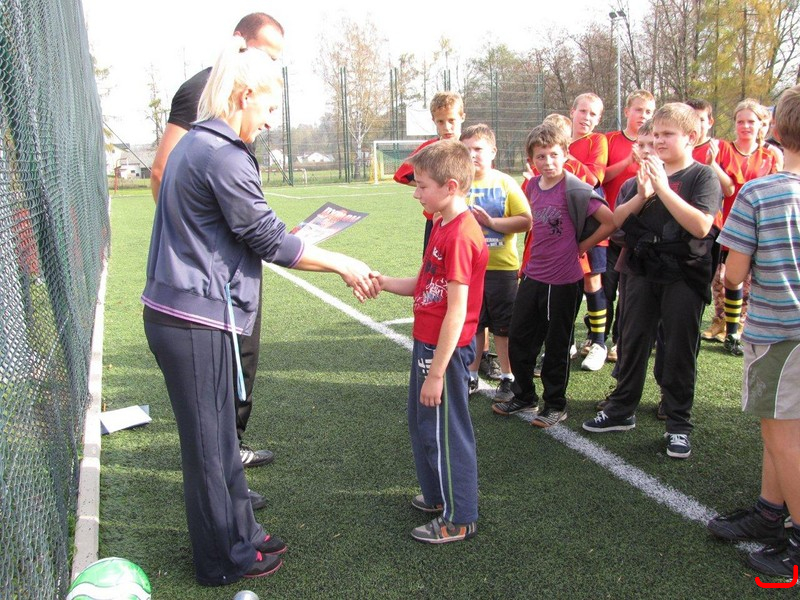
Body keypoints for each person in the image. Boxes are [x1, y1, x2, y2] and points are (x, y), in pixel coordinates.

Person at [142, 39, 379, 584]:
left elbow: (237, 229)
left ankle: (242, 534)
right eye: (270, 107)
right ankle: (223, 559)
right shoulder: (222, 153)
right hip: (194, 318)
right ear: (244, 95)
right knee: (209, 449)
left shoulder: (199, 143)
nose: (272, 121)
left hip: (193, 313)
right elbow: (269, 240)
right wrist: (342, 263)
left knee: (223, 440)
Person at [150, 13, 285, 486]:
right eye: (265, 55)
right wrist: (195, 243)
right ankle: (224, 485)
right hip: (203, 293)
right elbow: (164, 171)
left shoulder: (221, 142)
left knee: (237, 369)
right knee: (212, 411)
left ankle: (229, 473)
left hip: (211, 283)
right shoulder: (209, 122)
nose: (270, 120)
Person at [582, 103, 722, 459]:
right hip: (640, 269)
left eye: (667, 134)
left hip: (683, 273)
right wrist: (644, 194)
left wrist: (662, 188)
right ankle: (621, 409)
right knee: (631, 341)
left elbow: (701, 226)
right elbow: (615, 222)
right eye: (655, 134)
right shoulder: (636, 180)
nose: (658, 141)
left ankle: (678, 424)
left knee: (678, 348)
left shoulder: (701, 176)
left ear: (691, 137)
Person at [706, 84, 800, 578]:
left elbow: (735, 275)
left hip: (780, 333)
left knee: (784, 437)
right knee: (781, 431)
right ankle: (768, 513)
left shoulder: (759, 192)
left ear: (776, 130)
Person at [376, 139, 488, 544]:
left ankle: (460, 517)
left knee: (447, 431)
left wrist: (437, 372)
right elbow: (425, 285)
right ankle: (440, 495)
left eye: (422, 186)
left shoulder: (460, 236)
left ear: (451, 186)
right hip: (428, 343)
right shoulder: (442, 224)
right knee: (424, 424)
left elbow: (456, 312)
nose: (416, 193)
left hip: (444, 352)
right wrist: (382, 282)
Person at [493, 122, 614, 427]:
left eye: (554, 155)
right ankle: (524, 395)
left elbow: (610, 221)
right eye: (541, 156)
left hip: (563, 280)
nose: (548, 162)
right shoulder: (532, 186)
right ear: (531, 159)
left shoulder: (576, 189)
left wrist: (582, 246)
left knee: (557, 345)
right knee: (520, 337)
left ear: (566, 155)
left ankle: (555, 404)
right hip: (533, 274)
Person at [459, 124, 531, 401]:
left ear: (493, 152)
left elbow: (525, 220)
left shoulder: (504, 182)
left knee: (504, 327)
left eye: (478, 149)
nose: (472, 155)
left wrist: (491, 222)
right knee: (474, 325)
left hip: (502, 269)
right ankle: (471, 374)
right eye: (466, 149)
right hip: (469, 268)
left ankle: (507, 377)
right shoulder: (459, 184)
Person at [706, 100, 778, 355]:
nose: (745, 126)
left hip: (761, 225)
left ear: (761, 124)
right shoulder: (723, 149)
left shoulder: (770, 155)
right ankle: (730, 330)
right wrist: (714, 163)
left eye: (751, 121)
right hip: (729, 224)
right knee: (727, 279)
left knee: (753, 281)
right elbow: (727, 189)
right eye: (740, 121)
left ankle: (746, 327)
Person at [601, 90, 656, 363]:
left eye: (648, 111)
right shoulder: (610, 140)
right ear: (627, 111)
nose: (642, 115)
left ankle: (621, 341)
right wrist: (628, 161)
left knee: (632, 296)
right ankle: (598, 338)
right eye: (638, 110)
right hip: (613, 230)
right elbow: (600, 177)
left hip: (642, 241)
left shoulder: (661, 148)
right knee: (607, 288)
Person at [568, 93, 611, 371]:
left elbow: (594, 178)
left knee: (592, 280)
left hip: (590, 218)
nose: (586, 117)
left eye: (593, 114)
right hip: (563, 221)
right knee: (564, 282)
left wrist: (563, 157)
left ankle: (598, 343)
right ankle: (568, 340)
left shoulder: (597, 141)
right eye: (582, 111)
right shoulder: (558, 138)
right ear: (572, 111)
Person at [393, 91, 466, 253]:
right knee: (432, 264)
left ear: (462, 117)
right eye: (440, 121)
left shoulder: (470, 146)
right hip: (436, 220)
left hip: (467, 216)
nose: (447, 127)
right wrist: (432, 187)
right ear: (434, 121)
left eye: (452, 120)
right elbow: (401, 176)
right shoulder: (430, 148)